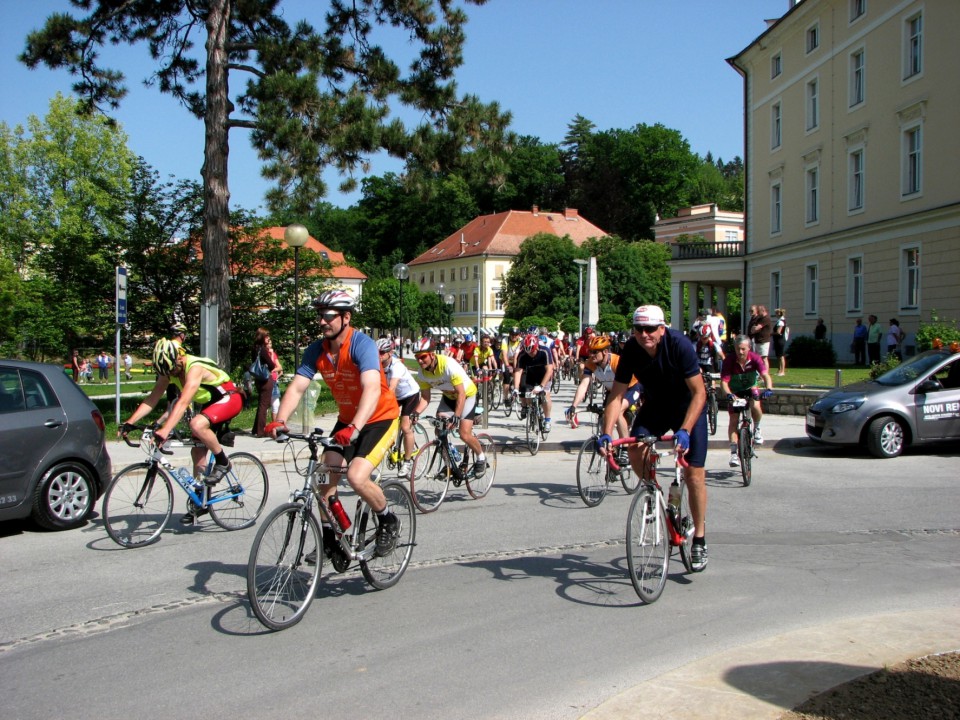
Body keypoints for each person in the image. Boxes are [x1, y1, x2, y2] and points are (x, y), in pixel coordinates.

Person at [266, 290, 402, 559]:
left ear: (346, 317)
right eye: (320, 315)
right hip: (347, 420)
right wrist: (279, 420)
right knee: (323, 477)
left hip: (379, 418)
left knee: (355, 476)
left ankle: (388, 520)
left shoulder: (361, 345)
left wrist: (355, 428)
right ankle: (332, 538)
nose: (322, 321)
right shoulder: (316, 350)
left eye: (329, 315)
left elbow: (372, 389)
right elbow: (297, 388)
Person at [599, 305, 709, 572]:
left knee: (694, 473)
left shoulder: (679, 345)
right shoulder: (632, 350)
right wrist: (606, 432)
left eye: (650, 329)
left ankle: (699, 538)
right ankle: (653, 490)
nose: (644, 334)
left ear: (662, 329)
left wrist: (684, 429)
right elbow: (616, 396)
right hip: (657, 406)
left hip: (688, 407)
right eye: (639, 329)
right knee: (635, 447)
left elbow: (699, 393)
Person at [121, 338, 244, 524]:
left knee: (196, 424)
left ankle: (223, 462)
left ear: (180, 357)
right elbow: (152, 399)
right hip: (211, 405)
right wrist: (130, 422)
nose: (171, 374)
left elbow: (184, 402)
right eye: (167, 372)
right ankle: (201, 500)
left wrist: (165, 430)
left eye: (173, 370)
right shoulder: (169, 370)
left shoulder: (194, 368)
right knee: (197, 451)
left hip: (230, 398)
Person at [412, 337, 487, 477]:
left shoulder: (448, 365)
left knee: (464, 433)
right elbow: (425, 398)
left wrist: (457, 417)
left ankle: (481, 457)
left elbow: (461, 393)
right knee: (439, 429)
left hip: (466, 396)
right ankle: (449, 465)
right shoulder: (422, 373)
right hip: (448, 397)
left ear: (432, 355)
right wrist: (415, 413)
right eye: (417, 358)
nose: (420, 361)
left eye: (423, 357)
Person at [567, 334, 640, 444]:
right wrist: (573, 406)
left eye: (595, 352)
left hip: (631, 388)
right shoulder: (590, 364)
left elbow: (624, 387)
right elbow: (583, 385)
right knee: (605, 417)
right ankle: (609, 445)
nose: (591, 355)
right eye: (590, 351)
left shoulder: (617, 362)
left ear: (605, 352)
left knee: (617, 411)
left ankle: (625, 447)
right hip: (613, 391)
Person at [720, 335, 774, 467]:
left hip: (750, 388)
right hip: (735, 391)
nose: (740, 352)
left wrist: (769, 388)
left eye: (743, 349)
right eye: (738, 349)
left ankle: (757, 428)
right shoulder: (729, 360)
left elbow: (765, 375)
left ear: (749, 348)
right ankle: (733, 454)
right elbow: (724, 382)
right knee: (733, 420)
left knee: (755, 404)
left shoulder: (755, 358)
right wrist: (728, 394)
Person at [378, 337, 421, 475]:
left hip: (410, 395)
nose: (378, 356)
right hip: (396, 396)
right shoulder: (376, 364)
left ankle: (407, 462)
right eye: (376, 353)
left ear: (390, 353)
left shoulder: (397, 366)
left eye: (381, 352)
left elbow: (391, 388)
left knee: (405, 426)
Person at [512, 333, 555, 432]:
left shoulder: (545, 351)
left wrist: (541, 386)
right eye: (528, 352)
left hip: (545, 376)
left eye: (532, 351)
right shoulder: (523, 355)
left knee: (545, 396)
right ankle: (532, 411)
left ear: (536, 347)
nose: (530, 354)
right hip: (531, 375)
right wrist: (515, 388)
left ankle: (547, 420)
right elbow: (518, 372)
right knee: (528, 395)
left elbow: (549, 370)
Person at [250, 328, 277, 437]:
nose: (268, 338)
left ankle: (255, 429)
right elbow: (271, 365)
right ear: (262, 337)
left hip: (258, 379)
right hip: (266, 379)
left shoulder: (254, 349)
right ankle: (261, 431)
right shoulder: (263, 350)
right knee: (264, 405)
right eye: (266, 336)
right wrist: (270, 354)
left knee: (261, 403)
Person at [499, 327, 522, 412]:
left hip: (516, 360)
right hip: (506, 361)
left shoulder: (521, 341)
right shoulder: (505, 340)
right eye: (512, 334)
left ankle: (514, 392)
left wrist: (515, 368)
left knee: (518, 376)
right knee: (507, 378)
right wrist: (508, 366)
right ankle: (505, 398)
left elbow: (518, 355)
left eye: (516, 335)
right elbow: (504, 354)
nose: (513, 336)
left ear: (519, 335)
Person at [772, 308, 788, 376]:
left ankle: (782, 371)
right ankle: (779, 370)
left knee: (781, 356)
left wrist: (771, 333)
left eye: (776, 313)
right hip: (778, 340)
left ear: (778, 313)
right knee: (779, 356)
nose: (775, 314)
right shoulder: (780, 320)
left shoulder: (781, 322)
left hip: (780, 340)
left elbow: (778, 332)